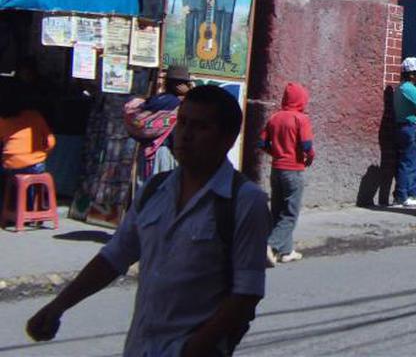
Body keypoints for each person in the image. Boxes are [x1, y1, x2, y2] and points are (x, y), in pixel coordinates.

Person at [26, 85, 270, 357]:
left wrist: (194, 348)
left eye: (201, 127)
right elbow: (114, 257)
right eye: (183, 123)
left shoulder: (246, 202)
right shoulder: (155, 190)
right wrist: (58, 306)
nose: (185, 135)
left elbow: (247, 294)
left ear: (227, 138)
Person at [259, 82, 314, 265]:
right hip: (294, 170)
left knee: (278, 209)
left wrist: (274, 153)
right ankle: (270, 245)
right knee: (290, 213)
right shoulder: (301, 119)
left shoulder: (274, 118)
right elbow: (306, 145)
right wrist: (309, 157)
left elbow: (262, 143)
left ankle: (286, 251)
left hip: (277, 169)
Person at [124, 65, 193, 189]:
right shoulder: (174, 103)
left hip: (148, 150)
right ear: (179, 85)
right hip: (163, 152)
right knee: (161, 190)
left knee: (147, 188)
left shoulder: (159, 99)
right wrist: (189, 94)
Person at [0, 79, 56, 209]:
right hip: (34, 164)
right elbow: (51, 141)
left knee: (6, 178)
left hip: (10, 164)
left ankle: (7, 208)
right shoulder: (35, 116)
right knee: (33, 174)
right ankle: (32, 208)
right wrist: (43, 153)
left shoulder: (3, 118)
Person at [392, 57, 416, 208]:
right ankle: (401, 195)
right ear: (411, 74)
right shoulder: (409, 89)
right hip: (409, 127)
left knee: (413, 161)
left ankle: (413, 192)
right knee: (408, 162)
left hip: (404, 127)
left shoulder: (401, 88)